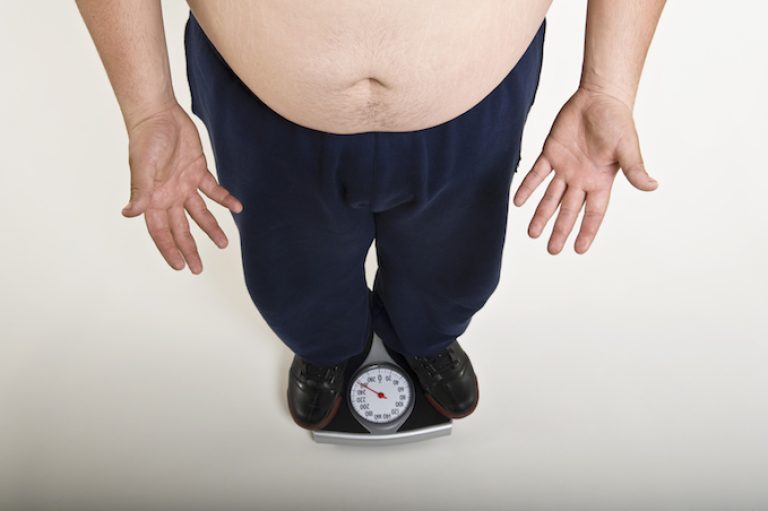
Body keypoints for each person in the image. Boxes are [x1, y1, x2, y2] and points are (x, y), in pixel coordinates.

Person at [75, 0, 665, 431]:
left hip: (473, 96)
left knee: (459, 264)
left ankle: (426, 336)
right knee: (291, 275)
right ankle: (326, 348)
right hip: (263, 101)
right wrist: (149, 105)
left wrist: (608, 87)